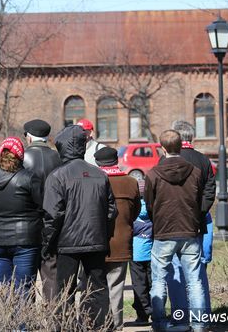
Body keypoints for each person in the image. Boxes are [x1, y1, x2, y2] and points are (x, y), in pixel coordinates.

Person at [42, 124, 116, 329]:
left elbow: (52, 215)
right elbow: (111, 211)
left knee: (65, 289)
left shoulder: (57, 176)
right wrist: (103, 233)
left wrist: (47, 243)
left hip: (67, 243)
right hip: (95, 240)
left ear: (63, 147)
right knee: (98, 287)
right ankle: (98, 326)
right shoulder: (100, 175)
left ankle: (65, 327)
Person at [144, 130, 205, 332]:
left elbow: (150, 205)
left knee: (159, 280)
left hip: (164, 230)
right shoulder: (195, 172)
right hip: (189, 229)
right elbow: (200, 201)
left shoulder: (153, 174)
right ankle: (199, 324)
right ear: (181, 146)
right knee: (194, 280)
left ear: (162, 148)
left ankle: (160, 323)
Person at [166, 120, 216, 322]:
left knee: (176, 268)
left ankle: (180, 314)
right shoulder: (203, 160)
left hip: (172, 222)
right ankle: (202, 313)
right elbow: (210, 190)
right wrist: (199, 211)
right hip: (198, 222)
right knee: (198, 269)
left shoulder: (167, 161)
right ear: (191, 137)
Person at [0, 137, 43, 298]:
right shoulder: (30, 178)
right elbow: (41, 207)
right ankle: (21, 324)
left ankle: (5, 323)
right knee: (23, 287)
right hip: (25, 239)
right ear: (20, 156)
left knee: (2, 286)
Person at [94, 147, 140, 331]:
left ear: (98, 163)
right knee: (116, 286)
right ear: (116, 160)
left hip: (95, 242)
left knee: (95, 286)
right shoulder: (131, 182)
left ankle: (98, 324)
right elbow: (134, 213)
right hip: (121, 242)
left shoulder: (94, 180)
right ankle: (117, 325)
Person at [22, 118, 61, 301]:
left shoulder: (22, 157)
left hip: (28, 220)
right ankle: (54, 319)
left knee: (25, 272)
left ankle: (27, 322)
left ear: (28, 138)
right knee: (50, 272)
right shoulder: (58, 157)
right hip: (53, 219)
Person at [130, 198, 153, 326]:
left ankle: (142, 315)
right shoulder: (152, 211)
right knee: (153, 283)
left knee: (139, 285)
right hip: (152, 253)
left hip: (136, 254)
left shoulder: (133, 214)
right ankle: (156, 312)